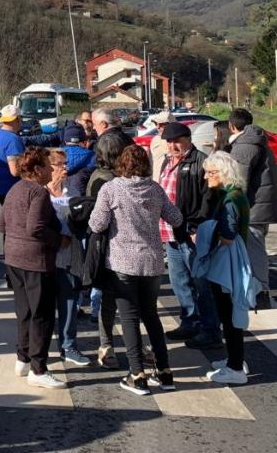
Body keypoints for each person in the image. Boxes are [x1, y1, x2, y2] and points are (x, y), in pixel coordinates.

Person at [88, 144, 184, 396]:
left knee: (129, 318)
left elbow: (97, 224)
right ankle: (164, 372)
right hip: (152, 262)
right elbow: (176, 218)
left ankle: (137, 374)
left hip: (122, 264)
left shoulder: (111, 189)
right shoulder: (155, 189)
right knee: (151, 316)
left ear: (122, 164)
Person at [0, 147, 66, 389]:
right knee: (42, 315)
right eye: (48, 166)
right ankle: (38, 369)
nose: (52, 170)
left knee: (24, 311)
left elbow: (1, 224)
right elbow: (35, 228)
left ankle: (23, 358)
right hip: (36, 260)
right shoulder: (38, 192)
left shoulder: (14, 189)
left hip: (13, 258)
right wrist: (60, 240)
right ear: (37, 170)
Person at [154, 121, 220, 349]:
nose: (172, 146)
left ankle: (210, 330)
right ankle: (190, 322)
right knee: (179, 281)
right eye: (169, 142)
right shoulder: (167, 160)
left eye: (176, 142)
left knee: (201, 283)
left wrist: (196, 226)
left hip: (191, 232)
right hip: (170, 233)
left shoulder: (200, 161)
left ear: (187, 140)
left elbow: (208, 197)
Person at [198, 151, 259, 386]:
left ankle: (235, 368)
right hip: (234, 259)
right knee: (229, 312)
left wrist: (206, 235)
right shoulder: (235, 194)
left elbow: (228, 234)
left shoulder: (229, 199)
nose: (206, 177)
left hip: (228, 261)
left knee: (229, 313)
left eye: (210, 173)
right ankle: (234, 359)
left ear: (222, 173)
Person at [77, 127, 131, 368]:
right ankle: (110, 345)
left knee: (110, 299)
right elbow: (102, 219)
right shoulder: (107, 181)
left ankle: (107, 345)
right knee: (118, 300)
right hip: (112, 245)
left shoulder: (99, 175)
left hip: (105, 245)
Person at [228, 108, 277, 309]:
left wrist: (232, 209)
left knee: (254, 249)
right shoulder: (258, 141)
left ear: (232, 126)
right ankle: (256, 290)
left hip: (253, 209)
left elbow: (238, 182)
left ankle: (260, 292)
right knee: (255, 248)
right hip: (262, 206)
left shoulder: (244, 146)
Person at [46, 148, 90, 368]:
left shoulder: (71, 188)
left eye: (65, 164)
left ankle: (69, 346)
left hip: (71, 254)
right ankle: (39, 349)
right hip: (46, 257)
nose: (65, 168)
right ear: (48, 167)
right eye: (60, 164)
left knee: (70, 303)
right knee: (44, 306)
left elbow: (81, 215)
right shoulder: (39, 191)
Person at [0, 104, 26, 205]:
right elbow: (15, 171)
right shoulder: (13, 140)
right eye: (20, 118)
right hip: (11, 190)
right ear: (17, 119)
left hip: (0, 187)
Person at [61, 124, 96, 199]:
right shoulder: (93, 156)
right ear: (84, 141)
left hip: (59, 200)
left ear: (65, 141)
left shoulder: (56, 157)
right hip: (83, 201)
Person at [149, 110, 172, 178]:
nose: (158, 127)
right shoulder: (155, 140)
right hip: (156, 181)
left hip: (171, 181)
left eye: (161, 124)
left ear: (170, 124)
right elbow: (151, 162)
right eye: (156, 123)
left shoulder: (179, 141)